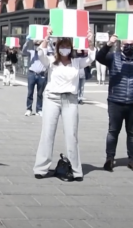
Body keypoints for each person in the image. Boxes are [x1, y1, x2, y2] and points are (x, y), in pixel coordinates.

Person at [33, 29, 94, 182]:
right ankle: (41, 168)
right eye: (62, 45)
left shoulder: (76, 62)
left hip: (70, 100)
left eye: (67, 46)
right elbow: (40, 53)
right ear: (58, 47)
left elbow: (91, 58)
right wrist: (46, 37)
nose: (65, 48)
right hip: (52, 98)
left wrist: (90, 42)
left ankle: (76, 169)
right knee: (47, 133)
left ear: (71, 48)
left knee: (72, 135)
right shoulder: (51, 61)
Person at [95, 34, 133, 171]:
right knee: (113, 131)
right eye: (127, 44)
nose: (129, 47)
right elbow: (99, 57)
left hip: (132, 102)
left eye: (132, 45)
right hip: (115, 101)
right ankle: (110, 158)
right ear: (122, 45)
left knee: (132, 133)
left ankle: (131, 159)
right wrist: (109, 44)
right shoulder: (114, 57)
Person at [22, 36, 49, 116]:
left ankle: (39, 109)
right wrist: (27, 41)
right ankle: (29, 108)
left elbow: (52, 51)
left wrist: (47, 41)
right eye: (36, 45)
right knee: (30, 93)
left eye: (39, 44)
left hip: (42, 75)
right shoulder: (32, 52)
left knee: (40, 94)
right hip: (32, 73)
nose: (37, 46)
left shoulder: (44, 53)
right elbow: (24, 51)